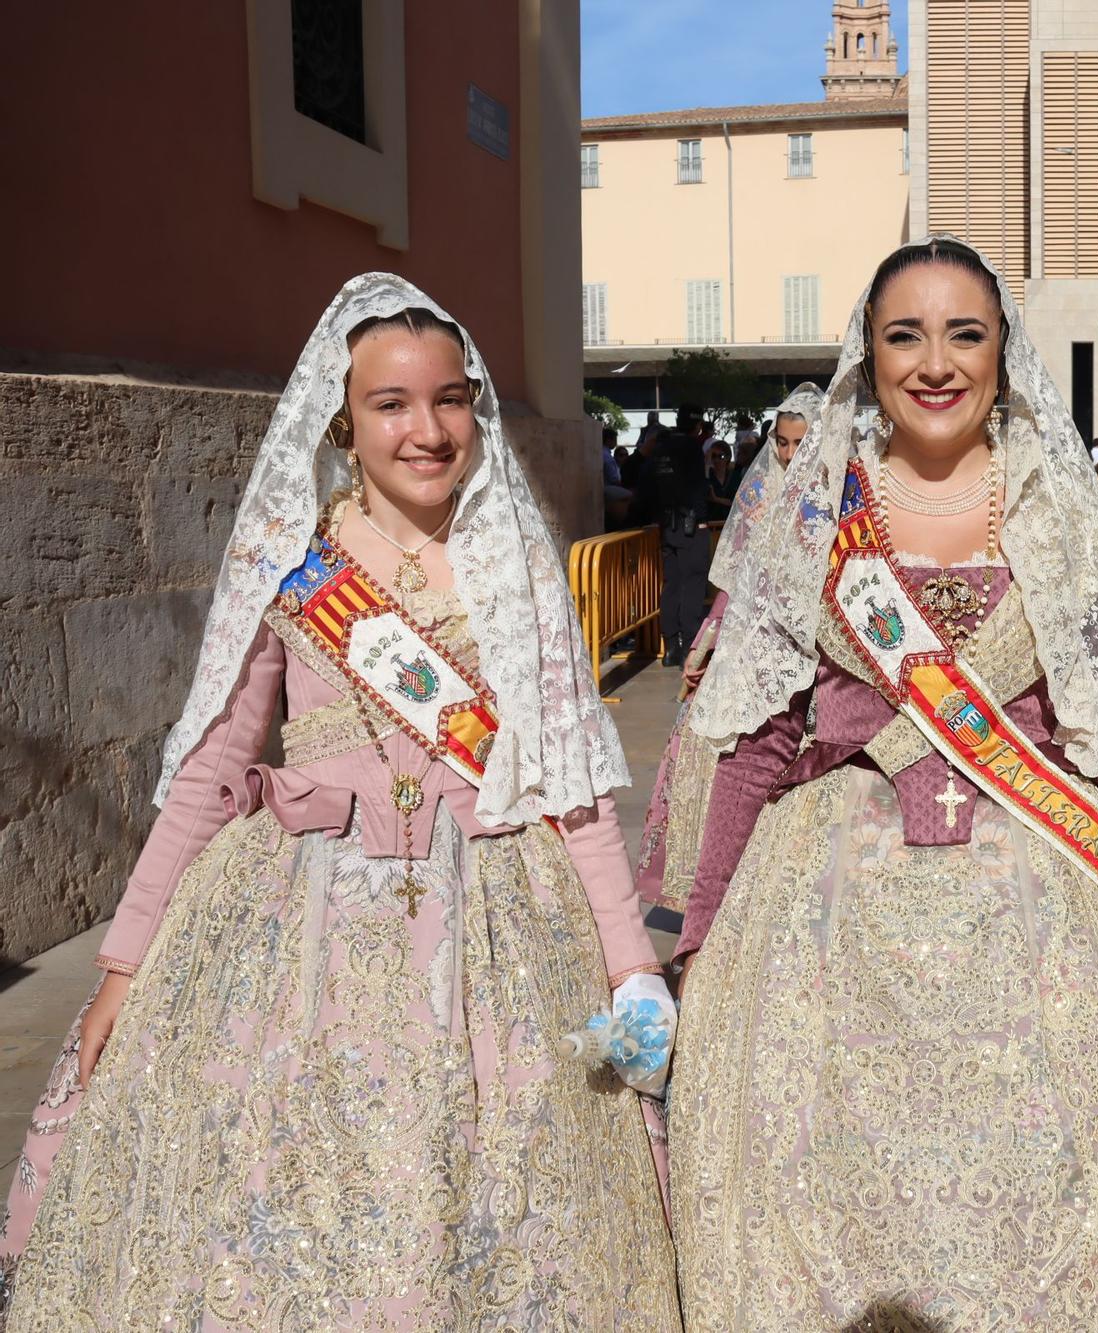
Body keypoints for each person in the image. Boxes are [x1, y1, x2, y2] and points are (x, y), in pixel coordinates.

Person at [0, 277, 679, 1326]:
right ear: (343, 421)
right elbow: (217, 762)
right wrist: (125, 967)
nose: (427, 429)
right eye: (392, 404)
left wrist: (632, 967)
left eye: (450, 400)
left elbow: (573, 789)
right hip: (299, 921)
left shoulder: (516, 570)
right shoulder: (292, 560)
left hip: (498, 926)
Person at [668, 237, 1098, 1330]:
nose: (935, 362)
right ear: (869, 353)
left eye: (965, 333)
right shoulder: (811, 515)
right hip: (827, 928)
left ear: (1004, 352)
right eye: (904, 334)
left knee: (1059, 1194)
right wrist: (696, 939)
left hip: (1042, 914)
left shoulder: (1062, 508)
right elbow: (753, 738)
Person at [634, 382, 824, 909]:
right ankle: (707, 899)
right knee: (706, 754)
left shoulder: (836, 501)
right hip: (742, 650)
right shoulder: (761, 493)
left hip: (809, 661)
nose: (787, 455)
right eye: (781, 443)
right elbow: (736, 587)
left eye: (799, 444)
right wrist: (704, 648)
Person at [644, 406, 714, 666]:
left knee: (671, 584)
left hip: (667, 525)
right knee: (693, 584)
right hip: (691, 526)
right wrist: (702, 519)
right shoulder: (692, 448)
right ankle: (688, 646)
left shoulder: (662, 448)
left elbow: (650, 485)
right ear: (697, 426)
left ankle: (671, 646)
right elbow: (698, 486)